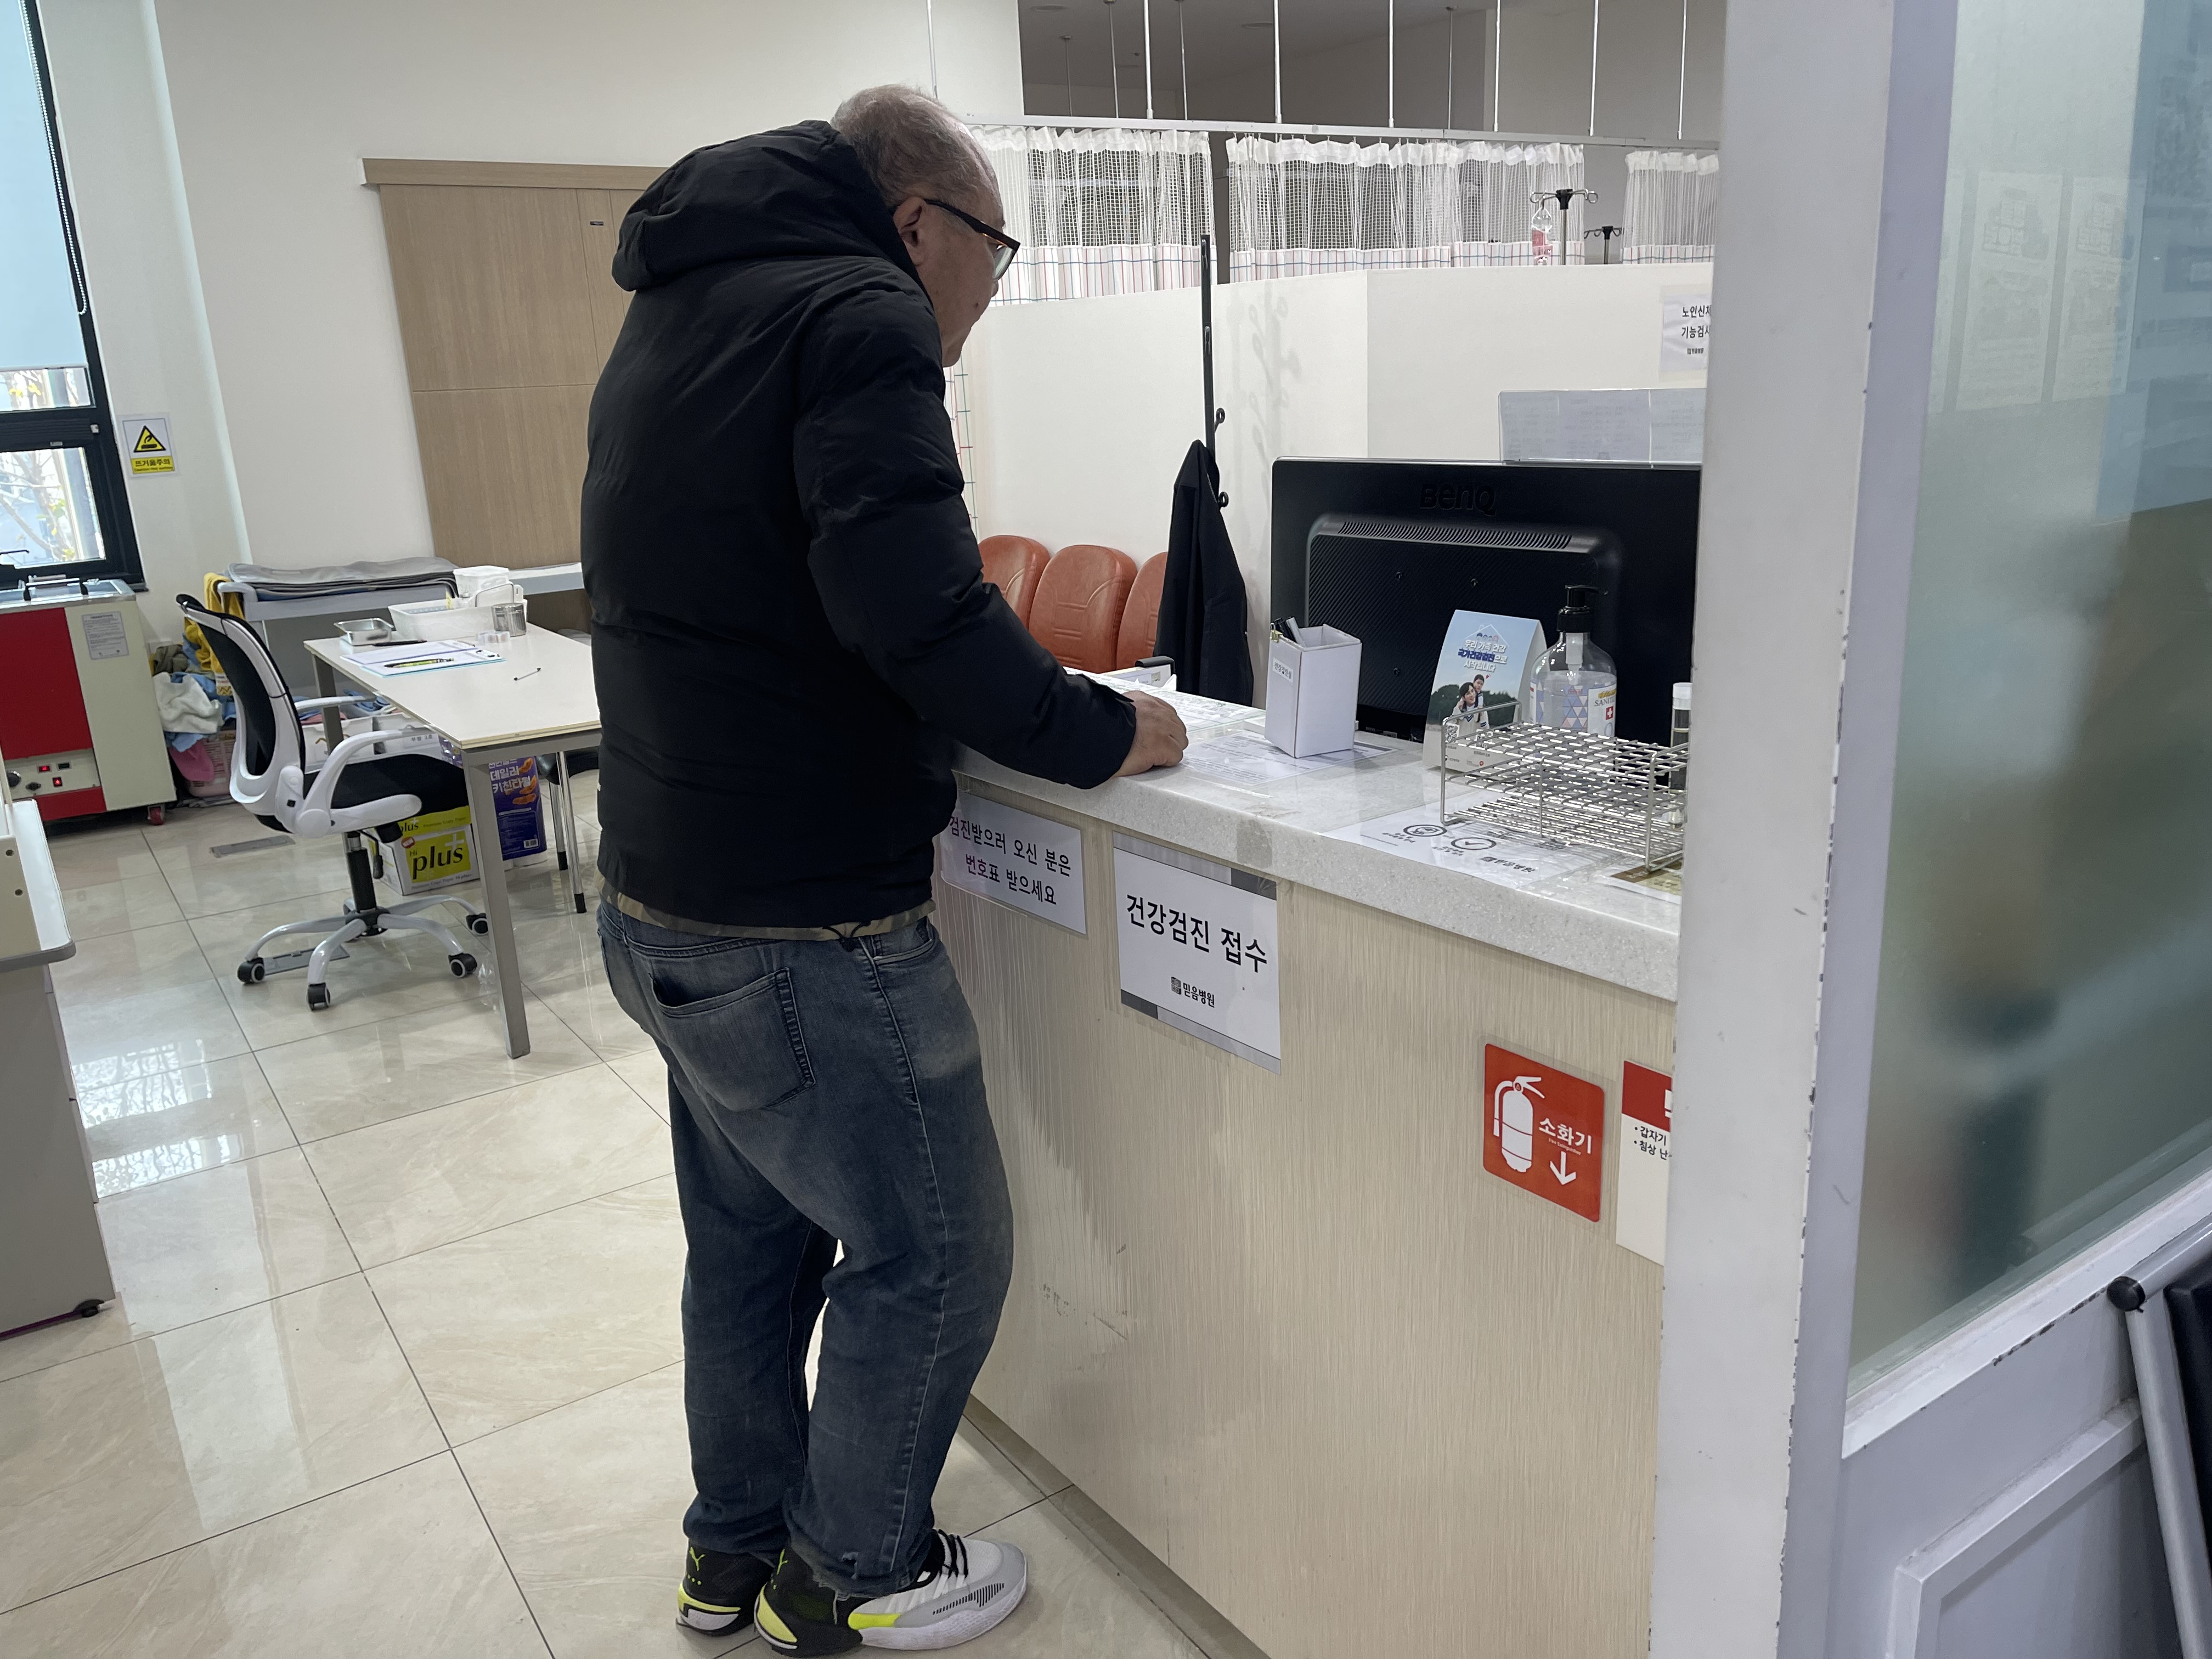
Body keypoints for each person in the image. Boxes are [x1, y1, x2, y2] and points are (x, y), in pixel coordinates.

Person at [579, 85, 1188, 1655]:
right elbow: (922, 617)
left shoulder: (679, 304)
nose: (991, 290)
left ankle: (729, 1557)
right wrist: (1106, 730)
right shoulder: (861, 316)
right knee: (939, 1250)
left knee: (751, 1242)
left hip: (658, 890)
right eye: (997, 248)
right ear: (922, 223)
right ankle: (851, 1572)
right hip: (802, 918)